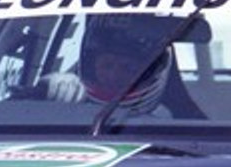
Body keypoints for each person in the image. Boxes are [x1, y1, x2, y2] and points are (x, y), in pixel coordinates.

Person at [43, 14, 174, 116]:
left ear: (149, 73)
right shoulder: (68, 102)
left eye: (127, 67)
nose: (113, 75)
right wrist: (47, 90)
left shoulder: (163, 122)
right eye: (106, 65)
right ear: (90, 65)